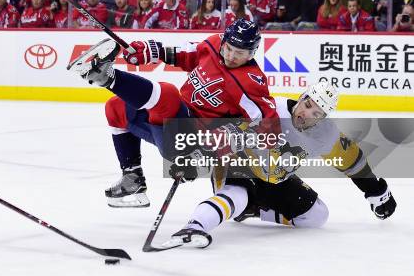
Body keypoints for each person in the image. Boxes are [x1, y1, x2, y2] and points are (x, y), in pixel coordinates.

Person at [69, 19, 279, 207]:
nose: (231, 56)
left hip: (194, 140)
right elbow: (187, 54)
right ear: (224, 41)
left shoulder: (250, 81)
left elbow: (268, 127)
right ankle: (133, 177)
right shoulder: (214, 44)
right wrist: (152, 52)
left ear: (252, 53)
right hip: (174, 125)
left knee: (168, 94)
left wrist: (214, 151)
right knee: (115, 107)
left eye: (240, 53)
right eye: (229, 48)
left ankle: (108, 78)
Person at [163, 82, 397, 248]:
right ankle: (195, 226)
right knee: (239, 194)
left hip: (274, 178)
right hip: (238, 166)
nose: (307, 114)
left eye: (317, 113)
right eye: (308, 105)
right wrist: (192, 160)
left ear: (323, 118)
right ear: (302, 97)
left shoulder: (326, 135)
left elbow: (351, 160)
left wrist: (375, 190)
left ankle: (254, 210)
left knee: (317, 216)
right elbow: (224, 136)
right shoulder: (269, 110)